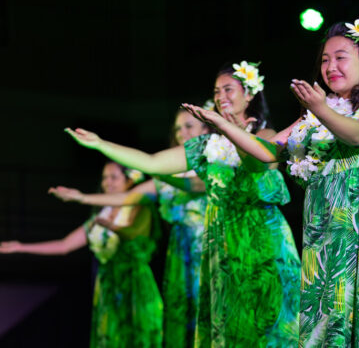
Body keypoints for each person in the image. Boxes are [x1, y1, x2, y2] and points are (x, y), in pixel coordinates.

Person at [183, 19, 359, 346]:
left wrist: (319, 108)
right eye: (324, 59)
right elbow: (267, 152)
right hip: (322, 232)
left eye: (340, 57)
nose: (330, 66)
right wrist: (223, 126)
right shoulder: (315, 115)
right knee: (323, 323)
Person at [64, 61, 301, 347]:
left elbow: (257, 160)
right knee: (228, 328)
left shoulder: (264, 136)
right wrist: (102, 143)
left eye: (228, 89)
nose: (220, 96)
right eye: (216, 91)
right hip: (222, 244)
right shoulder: (206, 147)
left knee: (268, 325)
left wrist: (230, 129)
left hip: (261, 239)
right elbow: (152, 162)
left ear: (249, 94)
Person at [49, 108, 209, 348]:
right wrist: (82, 198)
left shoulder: (214, 163)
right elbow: (127, 197)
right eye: (177, 128)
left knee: (207, 316)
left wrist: (157, 172)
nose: (181, 133)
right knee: (182, 322)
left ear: (206, 130)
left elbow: (194, 185)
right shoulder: (166, 176)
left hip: (208, 249)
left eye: (188, 126)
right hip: (179, 253)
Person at [0, 162, 163, 348]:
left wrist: (110, 225)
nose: (107, 182)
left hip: (134, 283)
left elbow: (135, 234)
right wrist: (21, 247)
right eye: (104, 177)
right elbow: (64, 245)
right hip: (107, 286)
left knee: (136, 337)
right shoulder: (101, 214)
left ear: (129, 181)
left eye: (113, 177)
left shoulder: (139, 206)